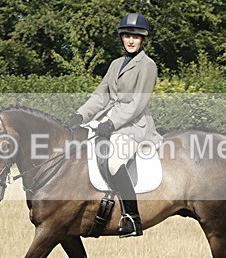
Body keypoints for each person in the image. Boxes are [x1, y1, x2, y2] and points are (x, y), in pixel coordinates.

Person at [66, 13, 162, 237]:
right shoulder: (116, 64)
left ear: (143, 40)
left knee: (114, 162)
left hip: (133, 125)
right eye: (127, 36)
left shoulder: (147, 65)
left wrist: (111, 123)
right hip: (108, 120)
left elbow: (138, 103)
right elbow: (101, 96)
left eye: (136, 37)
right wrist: (80, 115)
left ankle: (132, 219)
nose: (130, 41)